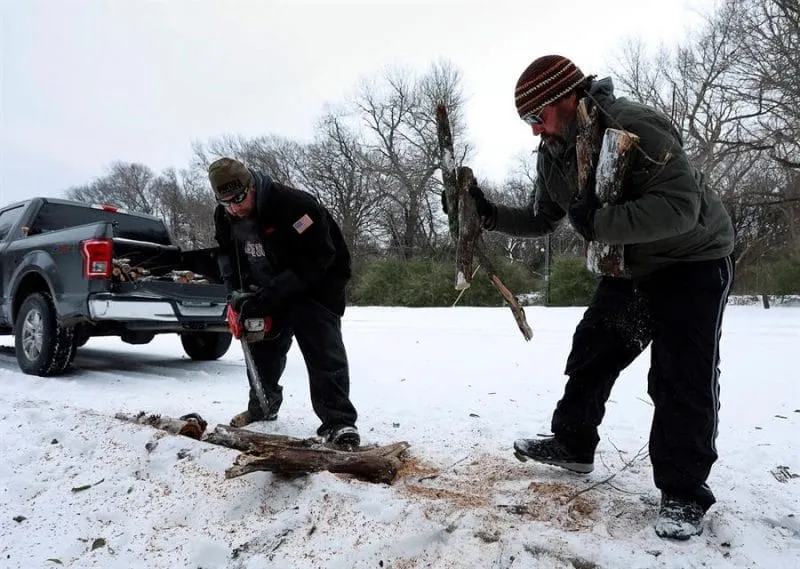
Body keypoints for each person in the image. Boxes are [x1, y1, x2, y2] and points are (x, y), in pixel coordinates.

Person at [453, 55, 735, 539]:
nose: (534, 131)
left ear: (566, 98)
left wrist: (598, 222)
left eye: (536, 117)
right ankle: (573, 444)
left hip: (693, 261)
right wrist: (489, 213)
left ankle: (684, 493)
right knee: (592, 350)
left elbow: (680, 208)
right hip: (629, 268)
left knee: (679, 376)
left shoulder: (634, 124)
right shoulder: (554, 151)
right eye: (527, 121)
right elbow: (544, 218)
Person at [209, 157, 360, 447]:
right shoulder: (225, 215)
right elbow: (227, 255)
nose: (234, 208)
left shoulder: (295, 206)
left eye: (239, 199)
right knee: (261, 345)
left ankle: (339, 423)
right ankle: (263, 406)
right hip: (266, 284)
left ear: (252, 186)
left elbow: (320, 257)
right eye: (226, 202)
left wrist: (272, 293)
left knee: (322, 350)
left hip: (316, 285)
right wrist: (236, 294)